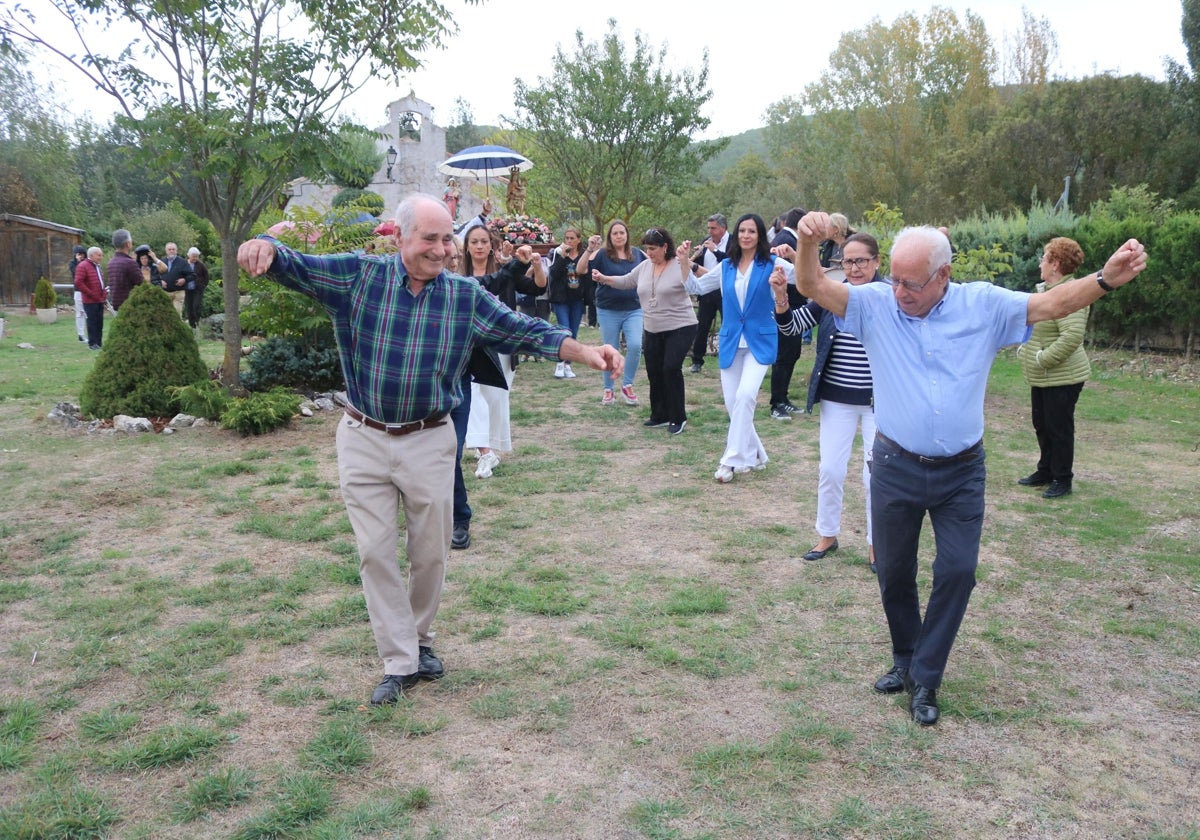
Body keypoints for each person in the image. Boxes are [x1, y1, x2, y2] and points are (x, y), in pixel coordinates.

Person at [236, 193, 623, 705]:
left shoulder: (465, 297)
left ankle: (419, 640)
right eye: (430, 239)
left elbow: (524, 330)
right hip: (363, 438)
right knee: (376, 553)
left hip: (430, 438)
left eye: (447, 239)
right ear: (399, 238)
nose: (442, 250)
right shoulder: (360, 277)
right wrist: (261, 246)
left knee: (430, 554)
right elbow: (296, 266)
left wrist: (587, 351)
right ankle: (400, 661)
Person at [790, 213, 1146, 726]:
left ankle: (926, 677)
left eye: (912, 283)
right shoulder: (874, 304)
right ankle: (905, 658)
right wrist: (805, 241)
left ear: (943, 275)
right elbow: (811, 283)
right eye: (895, 278)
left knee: (958, 571)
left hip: (961, 472)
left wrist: (1106, 279)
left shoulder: (984, 305)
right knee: (892, 573)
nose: (900, 292)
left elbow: (1050, 303)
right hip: (894, 465)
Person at [772, 233, 884, 571]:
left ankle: (878, 544)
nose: (853, 267)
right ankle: (827, 535)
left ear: (877, 262)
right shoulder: (829, 294)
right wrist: (780, 297)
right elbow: (793, 327)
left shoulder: (890, 296)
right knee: (831, 470)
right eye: (847, 261)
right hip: (836, 397)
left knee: (875, 476)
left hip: (882, 401)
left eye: (861, 261)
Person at [685, 213, 795, 482]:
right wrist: (682, 264)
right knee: (734, 404)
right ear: (737, 234)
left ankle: (730, 462)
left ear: (760, 236)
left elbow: (805, 278)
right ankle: (755, 454)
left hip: (761, 340)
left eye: (752, 231)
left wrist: (796, 254)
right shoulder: (726, 267)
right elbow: (696, 286)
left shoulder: (773, 263)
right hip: (731, 341)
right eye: (742, 231)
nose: (746, 235)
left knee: (746, 396)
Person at [592, 227, 697, 434]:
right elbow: (626, 281)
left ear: (665, 247)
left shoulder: (679, 264)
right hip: (653, 328)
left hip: (681, 326)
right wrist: (604, 278)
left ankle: (678, 417)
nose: (649, 252)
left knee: (670, 368)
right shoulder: (644, 267)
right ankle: (659, 415)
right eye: (647, 248)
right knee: (654, 371)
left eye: (653, 248)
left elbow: (701, 278)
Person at [461, 221, 545, 478]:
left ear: (491, 246)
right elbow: (485, 286)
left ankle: (489, 446)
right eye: (473, 242)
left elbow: (536, 287)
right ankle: (485, 451)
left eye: (483, 242)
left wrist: (537, 266)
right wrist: (513, 265)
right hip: (470, 346)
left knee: (497, 398)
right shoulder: (459, 276)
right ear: (466, 247)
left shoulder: (503, 272)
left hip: (503, 343)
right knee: (472, 394)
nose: (478, 246)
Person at [1016, 237, 1091, 499]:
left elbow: (1071, 337)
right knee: (1042, 424)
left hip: (1062, 377)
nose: (1040, 263)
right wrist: (1025, 348)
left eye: (1044, 258)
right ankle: (1045, 470)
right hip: (1043, 378)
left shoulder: (1072, 294)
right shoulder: (1046, 290)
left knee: (1059, 428)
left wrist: (1041, 358)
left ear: (1055, 264)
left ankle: (1062, 479)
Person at [576, 220, 645, 406]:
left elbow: (654, 268)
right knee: (609, 350)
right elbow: (580, 269)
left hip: (634, 309)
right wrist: (589, 249)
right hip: (608, 310)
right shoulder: (602, 255)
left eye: (622, 232)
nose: (619, 236)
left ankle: (628, 385)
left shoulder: (638, 254)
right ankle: (608, 389)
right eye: (615, 233)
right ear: (610, 237)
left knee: (636, 345)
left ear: (627, 235)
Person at [768, 207, 809, 419]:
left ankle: (783, 398)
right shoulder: (786, 242)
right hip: (787, 305)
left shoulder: (786, 239)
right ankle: (777, 403)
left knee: (792, 354)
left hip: (792, 305)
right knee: (785, 355)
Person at [688, 213, 728, 374]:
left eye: (714, 228)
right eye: (709, 228)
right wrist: (696, 254)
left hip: (725, 291)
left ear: (723, 228)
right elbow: (696, 265)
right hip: (707, 290)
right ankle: (697, 361)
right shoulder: (706, 240)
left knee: (728, 325)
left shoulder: (733, 242)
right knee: (702, 326)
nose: (710, 232)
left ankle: (726, 359)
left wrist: (716, 250)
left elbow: (733, 261)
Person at [546, 226, 587, 379]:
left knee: (574, 332)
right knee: (564, 329)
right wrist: (562, 257)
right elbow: (554, 274)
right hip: (560, 298)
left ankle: (568, 364)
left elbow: (586, 275)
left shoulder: (583, 255)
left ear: (578, 240)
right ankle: (559, 362)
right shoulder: (558, 253)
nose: (569, 241)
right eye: (567, 238)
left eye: (572, 238)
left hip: (576, 298)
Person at [74, 246, 106, 350]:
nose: (101, 257)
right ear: (91, 255)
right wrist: (90, 293)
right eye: (99, 255)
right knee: (92, 322)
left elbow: (100, 281)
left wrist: (103, 293)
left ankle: (99, 343)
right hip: (90, 300)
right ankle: (92, 344)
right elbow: (78, 282)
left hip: (99, 299)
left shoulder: (97, 266)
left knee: (99, 323)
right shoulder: (83, 266)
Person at [106, 229, 144, 312]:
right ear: (128, 244)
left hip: (117, 306)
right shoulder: (130, 263)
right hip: (131, 307)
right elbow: (142, 285)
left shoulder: (110, 262)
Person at [159, 242, 194, 317]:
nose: (171, 251)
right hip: (165, 292)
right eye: (169, 249)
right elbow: (154, 275)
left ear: (176, 251)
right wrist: (160, 281)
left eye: (173, 249)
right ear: (166, 251)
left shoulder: (183, 262)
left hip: (178, 292)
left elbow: (192, 275)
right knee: (165, 314)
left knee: (177, 314)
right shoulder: (161, 261)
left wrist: (184, 279)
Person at [185, 247, 210, 328]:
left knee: (196, 306)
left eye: (196, 256)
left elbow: (206, 276)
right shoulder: (184, 264)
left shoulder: (201, 265)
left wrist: (203, 285)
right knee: (189, 307)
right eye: (193, 256)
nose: (195, 258)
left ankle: (197, 322)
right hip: (187, 289)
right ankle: (192, 325)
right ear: (189, 256)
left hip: (197, 289)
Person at [69, 245, 87, 342]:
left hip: (88, 291)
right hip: (78, 291)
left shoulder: (88, 263)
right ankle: (81, 334)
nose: (81, 256)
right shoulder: (72, 264)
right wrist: (78, 262)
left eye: (82, 254)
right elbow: (76, 273)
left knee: (88, 313)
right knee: (80, 313)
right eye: (79, 254)